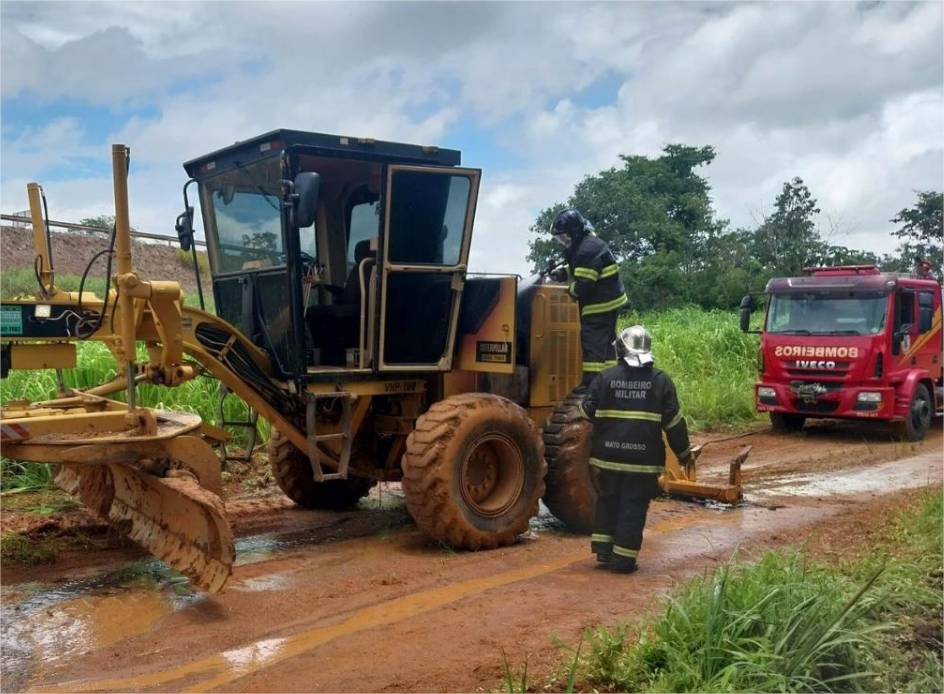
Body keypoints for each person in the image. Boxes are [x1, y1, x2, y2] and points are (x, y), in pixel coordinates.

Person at [579, 325, 694, 574]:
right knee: (633, 506)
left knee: (608, 500)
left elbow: (586, 411)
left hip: (607, 458)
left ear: (621, 349)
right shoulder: (661, 381)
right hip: (643, 461)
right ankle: (623, 560)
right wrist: (685, 454)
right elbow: (674, 424)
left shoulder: (605, 377)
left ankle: (604, 550)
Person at [548, 209, 628, 387]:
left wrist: (570, 291)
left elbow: (584, 284)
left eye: (563, 237)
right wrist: (561, 273)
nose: (562, 241)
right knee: (606, 346)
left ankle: (592, 386)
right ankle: (608, 382)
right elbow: (580, 267)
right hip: (610, 302)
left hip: (600, 305)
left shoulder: (586, 250)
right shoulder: (587, 243)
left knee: (593, 344)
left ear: (574, 232)